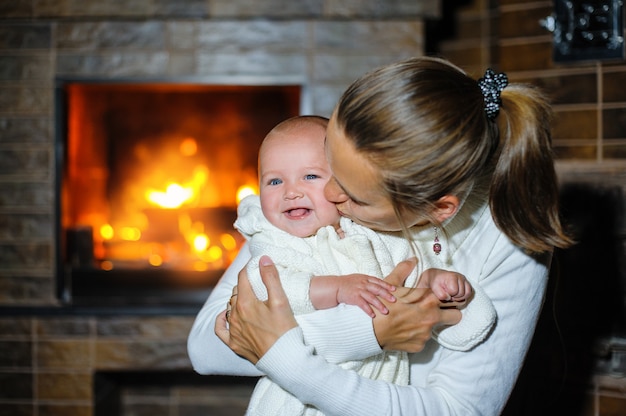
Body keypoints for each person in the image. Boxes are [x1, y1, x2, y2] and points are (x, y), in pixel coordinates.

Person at [188, 56, 573, 415]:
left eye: (353, 195)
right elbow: (208, 345)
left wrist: (287, 357)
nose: (329, 195)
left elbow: (458, 410)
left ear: (439, 209)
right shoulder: (301, 212)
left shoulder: (508, 237)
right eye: (328, 167)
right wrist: (367, 332)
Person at [234, 115, 486, 415]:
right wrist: (336, 289)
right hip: (297, 401)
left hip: (377, 390)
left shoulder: (377, 231)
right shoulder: (274, 238)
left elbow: (414, 288)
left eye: (310, 176)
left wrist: (435, 281)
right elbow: (263, 286)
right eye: (274, 181)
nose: (291, 191)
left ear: (344, 182)